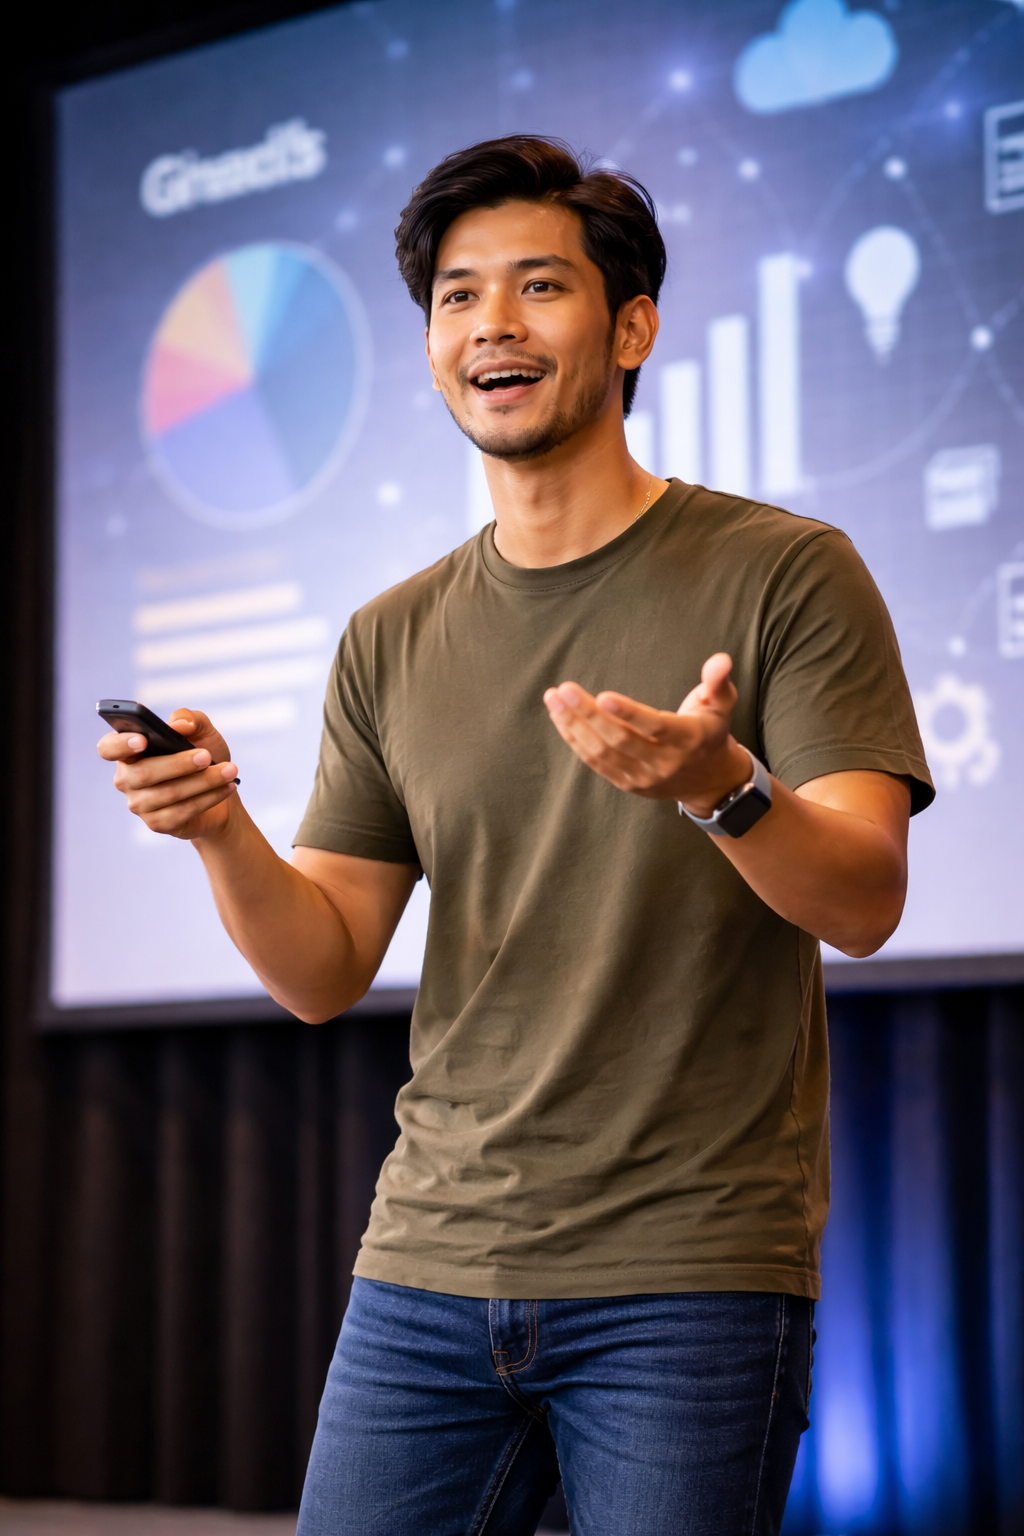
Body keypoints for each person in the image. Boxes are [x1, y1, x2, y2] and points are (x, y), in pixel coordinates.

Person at [99, 136, 933, 1535]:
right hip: (425, 1264)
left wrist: (721, 787)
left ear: (631, 329)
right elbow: (322, 970)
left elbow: (863, 900)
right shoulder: (390, 635)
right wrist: (221, 830)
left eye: (539, 286)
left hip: (691, 1269)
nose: (491, 323)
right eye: (456, 297)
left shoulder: (787, 571)